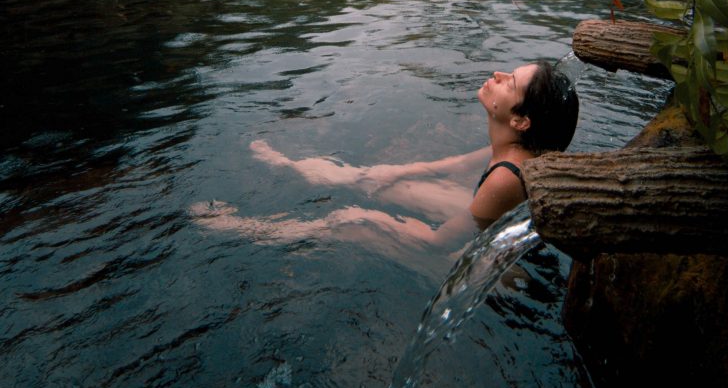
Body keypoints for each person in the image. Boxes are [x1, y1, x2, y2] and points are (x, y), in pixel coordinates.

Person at [192, 61, 578, 260]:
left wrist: (385, 223)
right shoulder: (519, 147)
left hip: (497, 278)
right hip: (488, 230)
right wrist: (396, 171)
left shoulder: (505, 179)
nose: (497, 74)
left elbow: (437, 244)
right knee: (385, 180)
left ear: (520, 120)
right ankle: (292, 168)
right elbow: (451, 165)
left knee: (350, 223)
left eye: (509, 80)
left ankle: (246, 228)